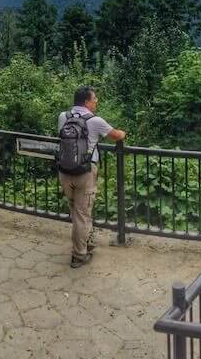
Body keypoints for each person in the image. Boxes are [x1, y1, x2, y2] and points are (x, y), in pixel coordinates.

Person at [58, 86, 125, 268]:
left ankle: (85, 241)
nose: (96, 102)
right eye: (94, 99)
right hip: (85, 173)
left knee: (76, 211)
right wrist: (123, 133)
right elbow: (116, 136)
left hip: (64, 171)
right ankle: (79, 255)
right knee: (82, 214)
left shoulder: (63, 117)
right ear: (87, 102)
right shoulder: (96, 121)